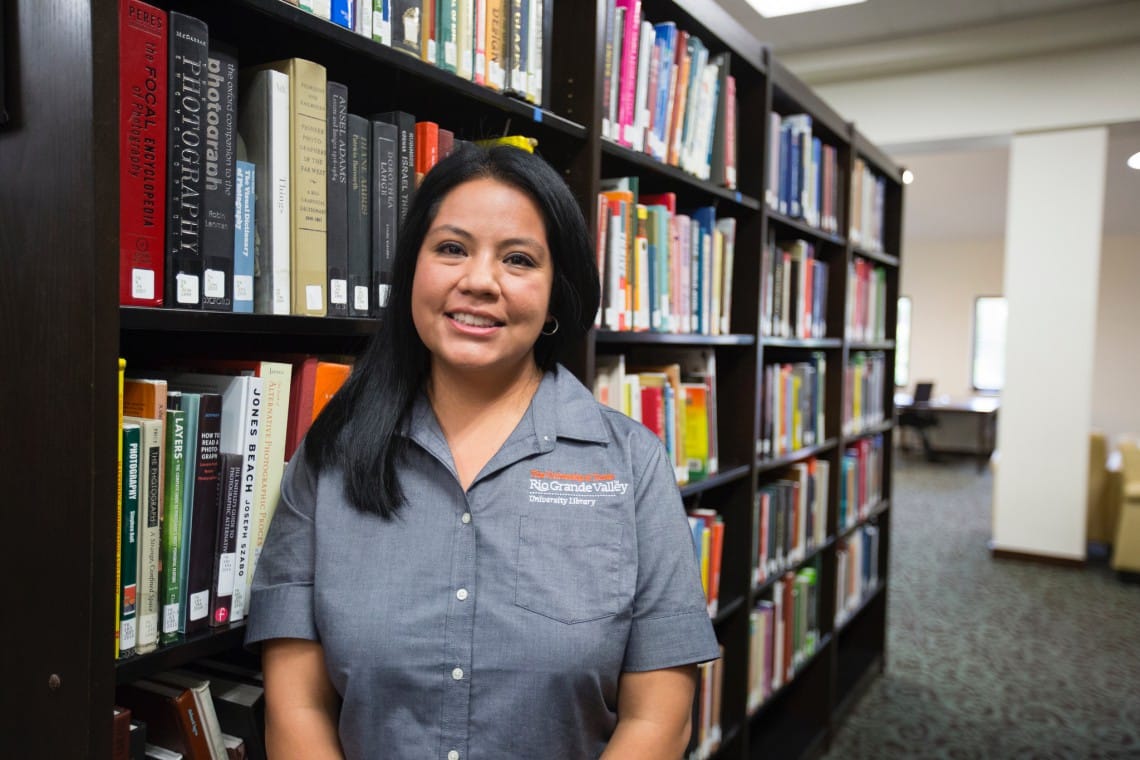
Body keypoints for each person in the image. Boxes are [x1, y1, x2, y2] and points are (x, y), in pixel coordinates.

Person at [245, 144, 720, 760]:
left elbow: (658, 721)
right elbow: (298, 705)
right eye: (451, 248)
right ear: (412, 268)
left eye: (518, 259)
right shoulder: (331, 455)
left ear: (556, 293)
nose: (477, 281)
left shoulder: (631, 463)